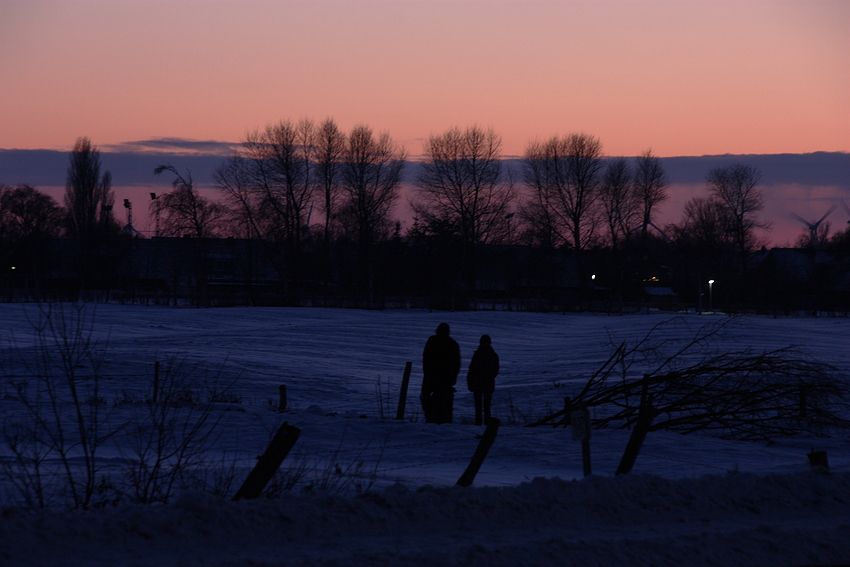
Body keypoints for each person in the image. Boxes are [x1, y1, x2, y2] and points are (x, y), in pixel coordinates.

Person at [421, 322, 461, 423]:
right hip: (442, 377)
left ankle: (432, 417)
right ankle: (439, 419)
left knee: (431, 397)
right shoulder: (452, 343)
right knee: (442, 400)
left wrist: (426, 372)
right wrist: (453, 377)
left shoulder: (433, 341)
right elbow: (457, 363)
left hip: (435, 376)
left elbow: (426, 357)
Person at [466, 334, 499, 425]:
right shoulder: (492, 354)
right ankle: (483, 423)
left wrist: (470, 381)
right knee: (483, 406)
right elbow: (472, 369)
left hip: (481, 383)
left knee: (482, 406)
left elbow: (471, 369)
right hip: (483, 383)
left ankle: (481, 424)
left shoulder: (482, 354)